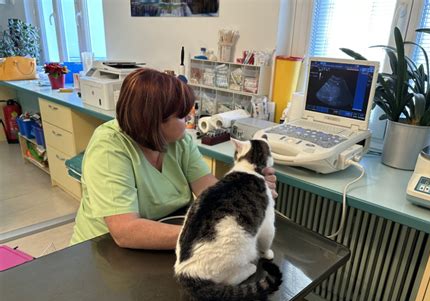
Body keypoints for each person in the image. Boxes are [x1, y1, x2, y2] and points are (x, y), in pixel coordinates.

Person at [71, 68, 277, 249]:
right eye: (182, 116)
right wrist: (209, 234)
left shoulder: (179, 141)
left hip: (165, 233)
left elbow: (209, 189)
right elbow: (126, 231)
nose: (189, 118)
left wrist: (247, 191)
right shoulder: (109, 148)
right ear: (152, 121)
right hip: (104, 249)